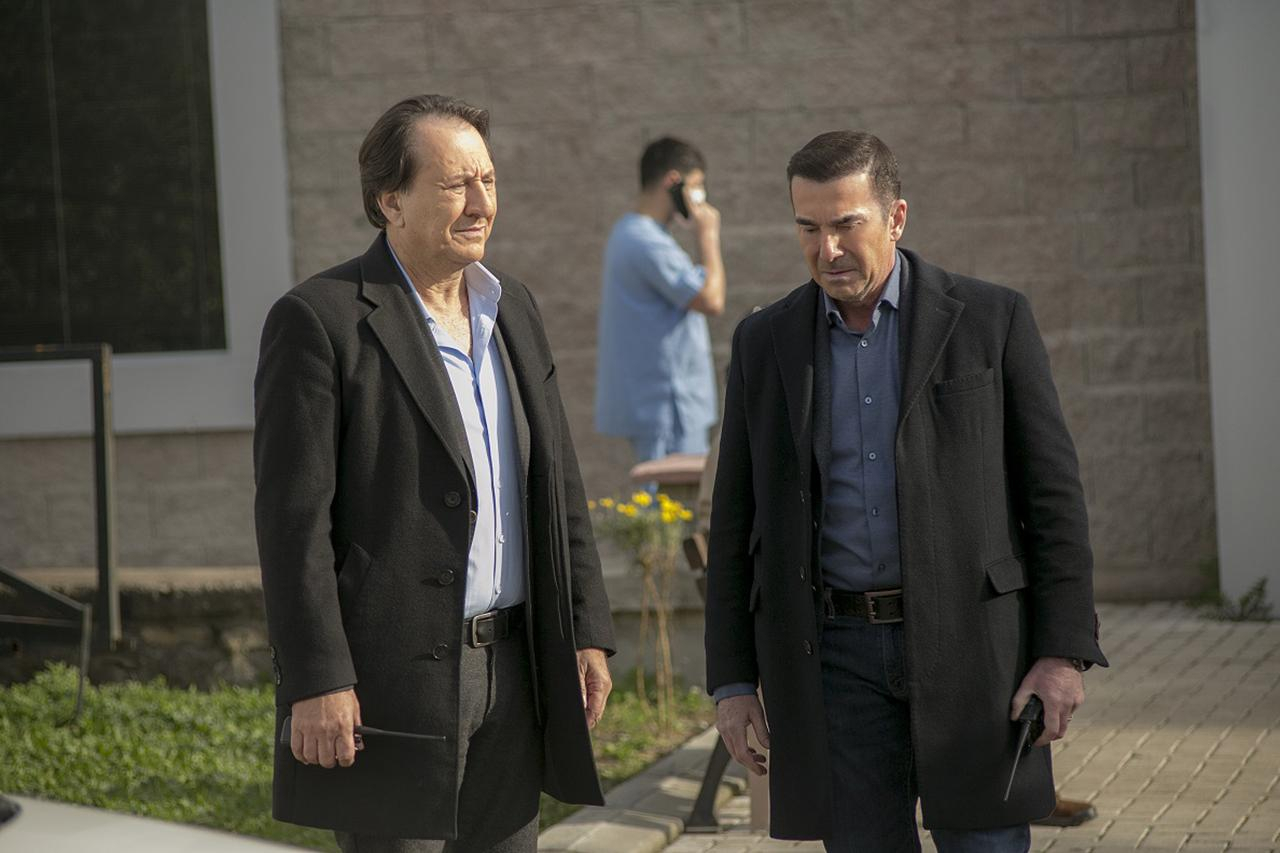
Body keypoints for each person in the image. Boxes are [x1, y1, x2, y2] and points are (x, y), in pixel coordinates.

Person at [703, 130, 1108, 852]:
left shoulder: (991, 320)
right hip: (835, 661)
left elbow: (1052, 498)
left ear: (896, 218)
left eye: (845, 224)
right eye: (808, 228)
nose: (827, 249)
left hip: (975, 653)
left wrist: (1062, 652)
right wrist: (733, 681)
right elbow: (736, 520)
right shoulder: (764, 343)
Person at [253, 94, 615, 853]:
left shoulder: (512, 307)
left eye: (488, 180)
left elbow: (557, 483)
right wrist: (318, 678)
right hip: (391, 686)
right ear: (390, 201)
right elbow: (293, 527)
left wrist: (585, 631)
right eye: (455, 185)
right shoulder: (320, 321)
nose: (481, 203)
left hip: (517, 671)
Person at [594, 137, 725, 464]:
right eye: (696, 186)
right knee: (674, 494)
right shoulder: (645, 240)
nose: (700, 197)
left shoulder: (632, 233)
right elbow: (712, 299)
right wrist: (708, 235)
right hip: (668, 407)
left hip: (660, 406)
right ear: (673, 181)